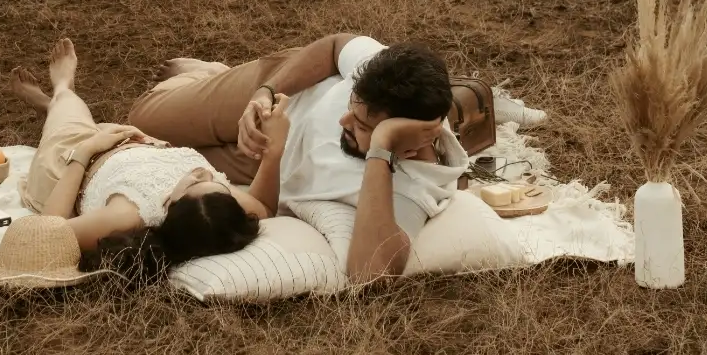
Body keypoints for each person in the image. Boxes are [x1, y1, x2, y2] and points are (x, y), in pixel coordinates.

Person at [125, 33, 469, 282]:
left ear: (404, 139)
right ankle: (210, 75)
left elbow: (370, 272)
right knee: (143, 118)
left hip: (269, 163)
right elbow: (335, 46)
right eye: (351, 109)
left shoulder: (417, 183)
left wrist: (380, 149)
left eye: (363, 125)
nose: (343, 122)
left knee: (151, 146)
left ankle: (212, 81)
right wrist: (266, 92)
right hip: (281, 97)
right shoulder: (381, 73)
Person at [13, 38, 279, 282]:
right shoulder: (212, 208)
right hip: (130, 138)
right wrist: (276, 146)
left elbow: (44, 236)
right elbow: (264, 206)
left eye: (193, 183)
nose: (203, 173)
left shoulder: (127, 215)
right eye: (220, 185)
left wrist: (85, 151)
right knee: (168, 105)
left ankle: (60, 91)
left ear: (171, 204)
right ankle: (57, 108)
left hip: (69, 158)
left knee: (70, 105)